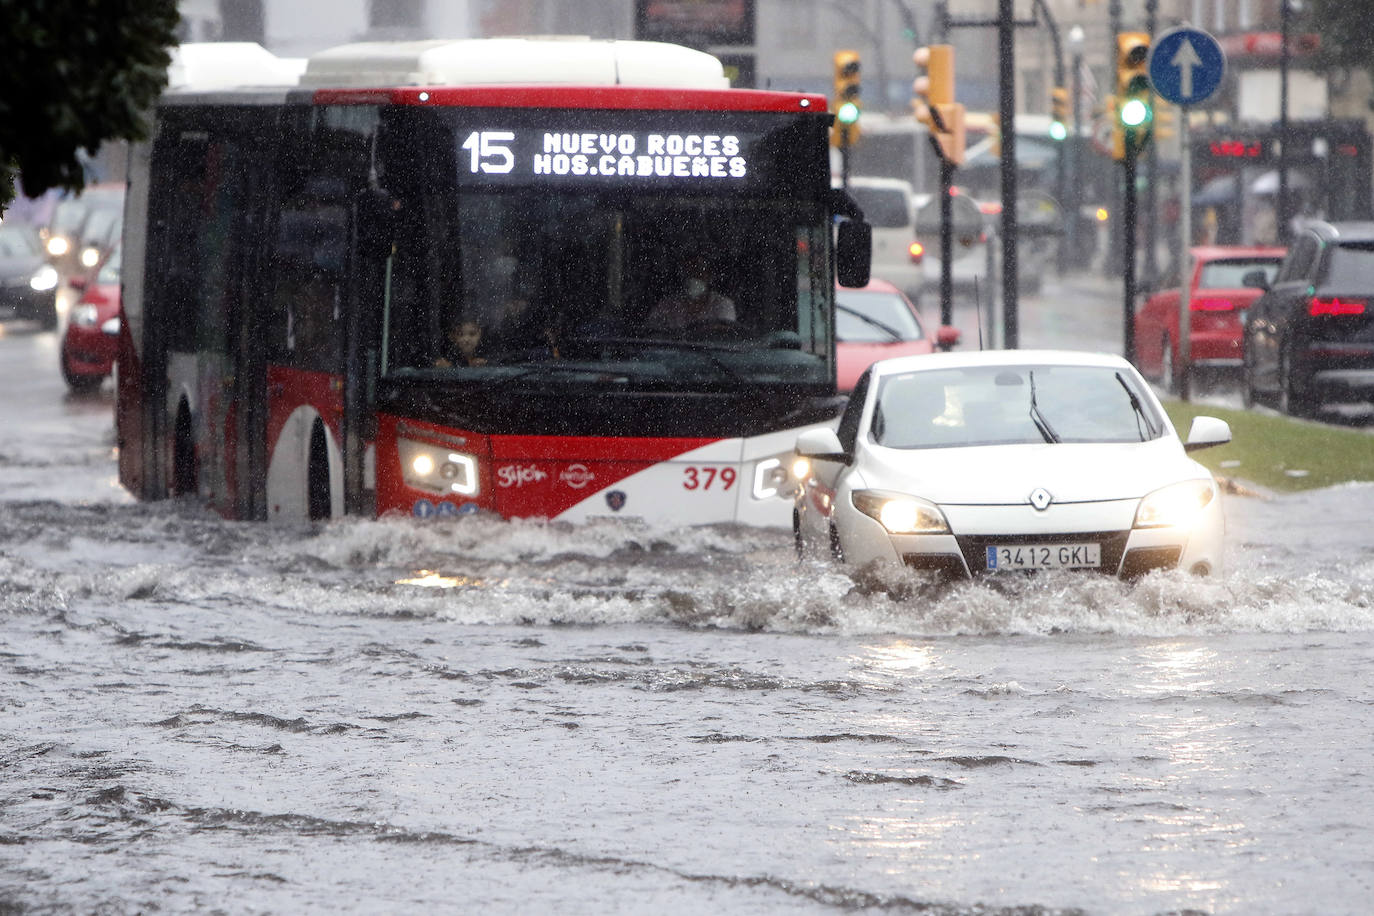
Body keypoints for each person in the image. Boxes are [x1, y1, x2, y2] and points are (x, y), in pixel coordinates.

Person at [644, 252, 735, 333]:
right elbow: (650, 333)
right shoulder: (667, 306)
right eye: (688, 273)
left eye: (698, 272)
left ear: (709, 276)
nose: (692, 278)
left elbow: (724, 338)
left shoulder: (722, 305)